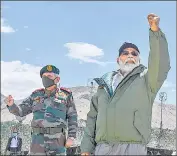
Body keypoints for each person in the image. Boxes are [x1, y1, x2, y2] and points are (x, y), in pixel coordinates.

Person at [80, 13, 171, 155]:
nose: (130, 55)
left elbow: (161, 64)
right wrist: (86, 147)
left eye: (134, 53)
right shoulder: (104, 85)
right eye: (125, 53)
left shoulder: (147, 80)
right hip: (102, 148)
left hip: (132, 148)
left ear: (138, 59)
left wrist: (155, 33)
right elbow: (93, 117)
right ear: (118, 59)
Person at [4, 65, 78, 155]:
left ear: (57, 79)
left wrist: (71, 136)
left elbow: (72, 116)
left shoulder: (66, 95)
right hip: (37, 142)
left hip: (58, 142)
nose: (46, 79)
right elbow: (21, 111)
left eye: (49, 76)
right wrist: (11, 105)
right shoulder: (36, 95)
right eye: (44, 76)